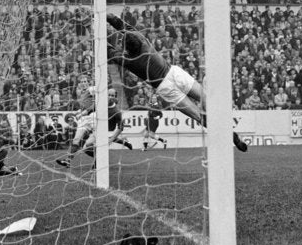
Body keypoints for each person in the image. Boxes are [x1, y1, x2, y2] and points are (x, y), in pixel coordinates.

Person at [104, 13, 247, 153]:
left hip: (164, 87)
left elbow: (109, 51)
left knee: (198, 116)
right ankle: (230, 130)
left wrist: (94, 30)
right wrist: (107, 17)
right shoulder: (142, 41)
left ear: (126, 49)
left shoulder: (128, 60)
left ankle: (228, 135)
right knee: (206, 99)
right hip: (174, 73)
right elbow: (120, 23)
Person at [56, 86, 134, 167]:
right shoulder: (100, 103)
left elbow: (120, 127)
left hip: (107, 130)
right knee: (85, 147)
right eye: (109, 95)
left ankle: (98, 162)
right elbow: (90, 109)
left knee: (98, 143)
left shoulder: (116, 111)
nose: (110, 97)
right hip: (97, 127)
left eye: (112, 95)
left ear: (115, 97)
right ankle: (71, 161)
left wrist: (111, 138)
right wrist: (80, 114)